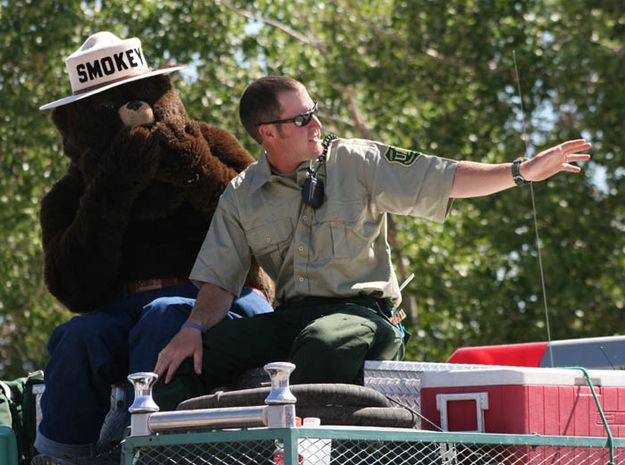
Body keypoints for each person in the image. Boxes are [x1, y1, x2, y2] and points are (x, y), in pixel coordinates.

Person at [152, 75, 591, 408]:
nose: (317, 124)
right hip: (292, 318)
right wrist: (191, 330)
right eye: (303, 118)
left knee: (325, 343)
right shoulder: (242, 194)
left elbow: (445, 177)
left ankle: (297, 452)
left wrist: (520, 172)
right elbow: (218, 282)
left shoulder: (357, 161)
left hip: (364, 316)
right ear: (268, 132)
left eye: (315, 110)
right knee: (176, 366)